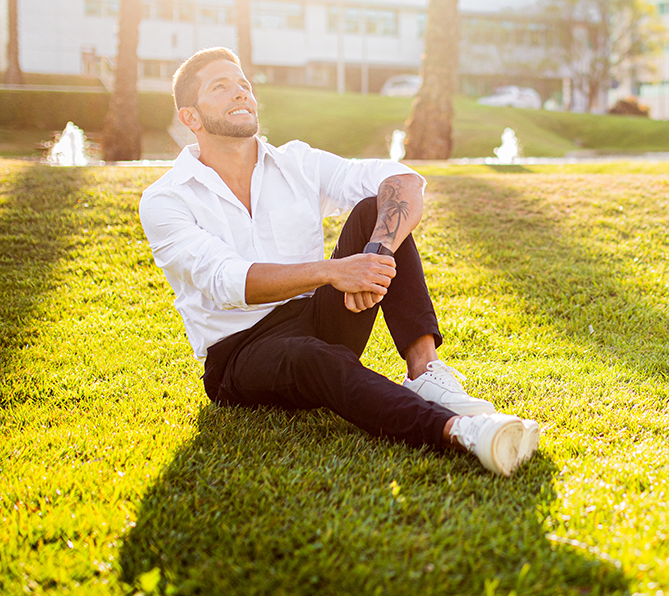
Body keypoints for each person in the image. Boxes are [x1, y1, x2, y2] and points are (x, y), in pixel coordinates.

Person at [139, 47, 538, 477]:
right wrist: (334, 272)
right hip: (240, 351)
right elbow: (226, 281)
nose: (241, 93)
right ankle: (462, 431)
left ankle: (424, 372)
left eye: (244, 85)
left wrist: (376, 253)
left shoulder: (295, 162)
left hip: (319, 317)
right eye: (221, 87)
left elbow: (402, 180)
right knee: (315, 357)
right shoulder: (166, 199)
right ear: (190, 117)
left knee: (379, 209)